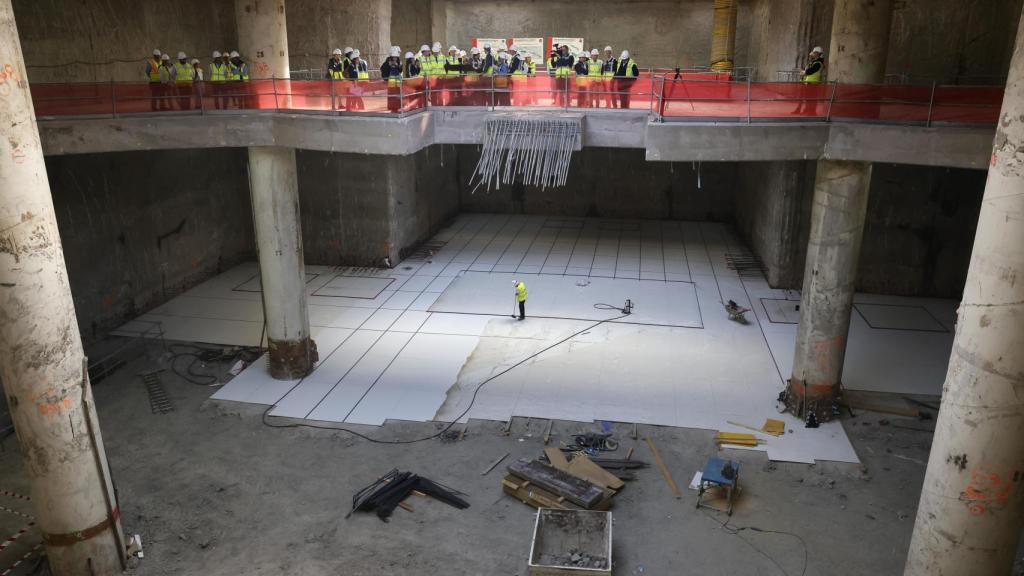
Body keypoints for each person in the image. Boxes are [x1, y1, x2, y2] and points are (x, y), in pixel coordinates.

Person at [795, 46, 825, 115]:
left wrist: (804, 72)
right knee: (808, 99)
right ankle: (807, 111)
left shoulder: (818, 64)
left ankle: (812, 112)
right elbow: (807, 70)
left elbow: (809, 71)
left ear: (818, 54)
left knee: (812, 99)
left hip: (813, 84)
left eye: (814, 53)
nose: (812, 54)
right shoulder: (813, 63)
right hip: (808, 83)